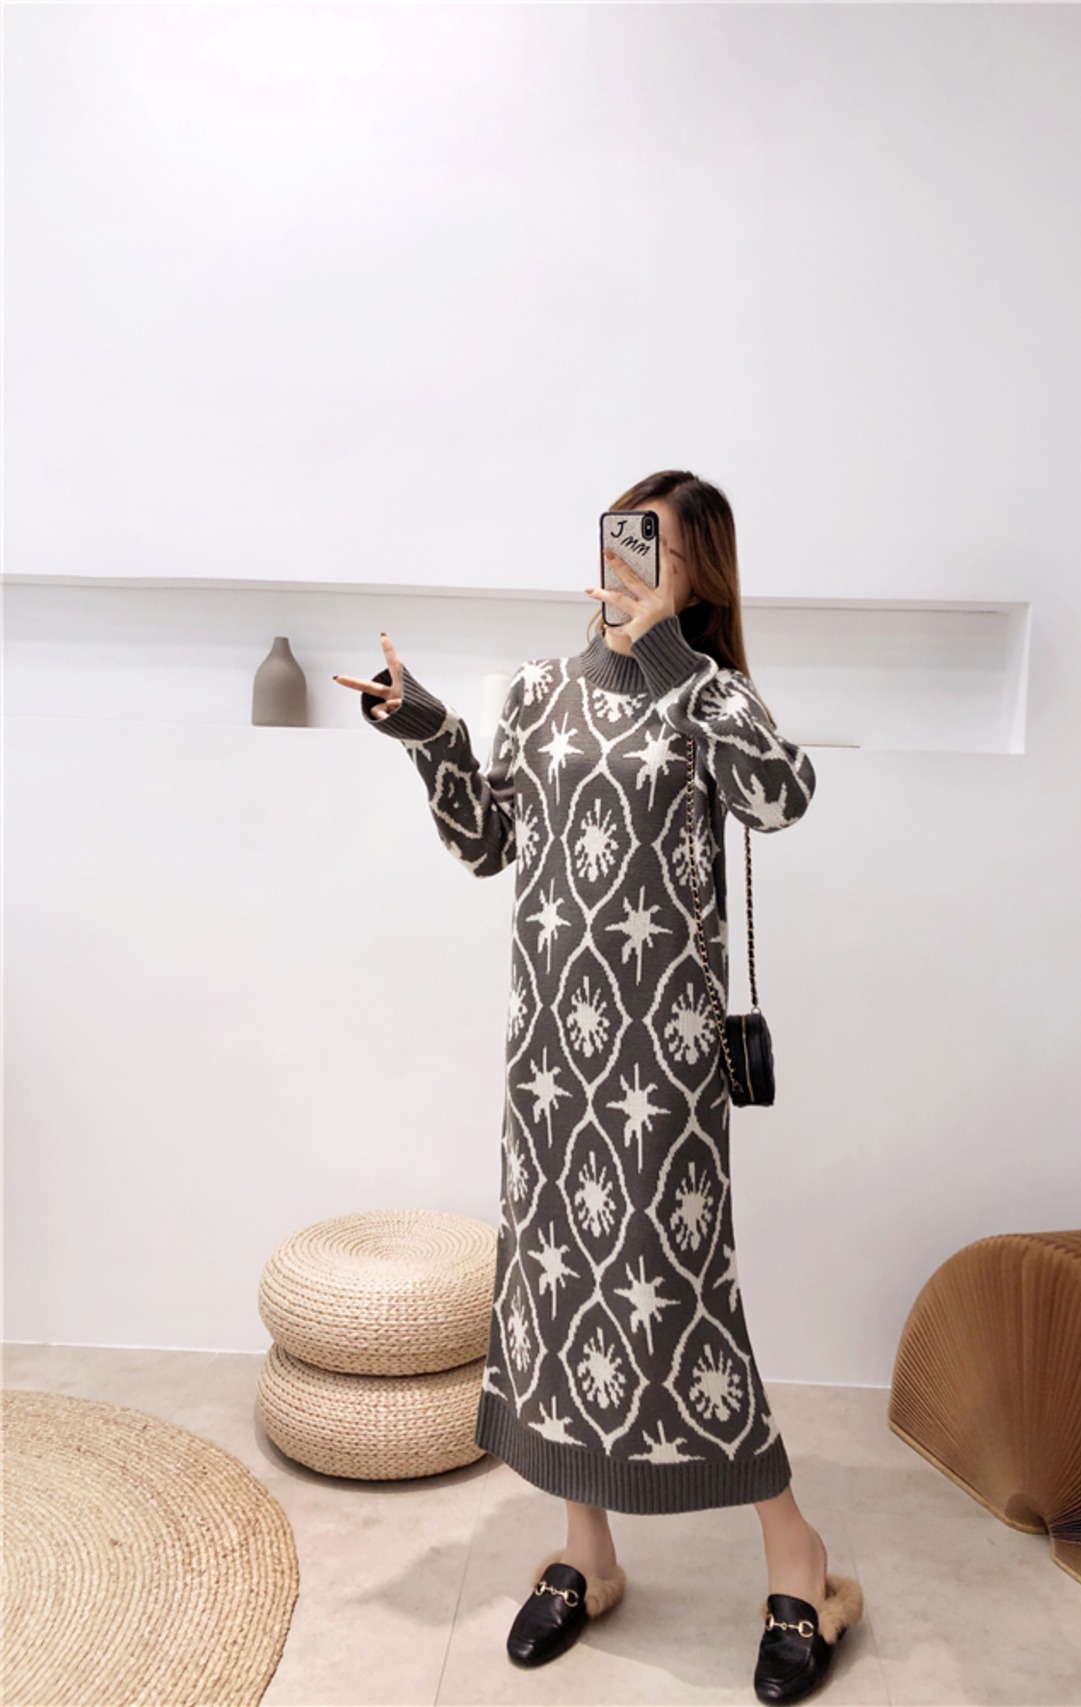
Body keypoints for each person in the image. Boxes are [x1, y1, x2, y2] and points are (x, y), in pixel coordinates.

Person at [335, 470, 862, 1703]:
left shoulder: (707, 694)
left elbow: (781, 798)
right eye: (623, 542)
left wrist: (674, 658)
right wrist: (428, 734)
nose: (628, 567)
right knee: (558, 1289)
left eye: (656, 551)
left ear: (697, 574)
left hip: (660, 1064)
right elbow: (486, 845)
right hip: (550, 1065)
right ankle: (587, 1554)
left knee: (676, 1295)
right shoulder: (536, 691)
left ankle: (797, 1557)